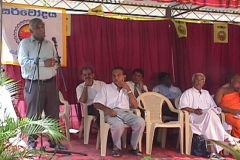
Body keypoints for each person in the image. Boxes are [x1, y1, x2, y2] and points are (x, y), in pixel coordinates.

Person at [18, 18, 66, 151]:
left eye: (43, 27)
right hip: (34, 84)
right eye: (38, 28)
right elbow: (23, 62)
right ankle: (32, 141)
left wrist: (54, 63)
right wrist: (42, 63)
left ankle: (55, 141)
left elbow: (54, 61)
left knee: (53, 113)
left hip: (50, 83)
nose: (41, 30)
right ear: (31, 30)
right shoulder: (25, 44)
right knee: (34, 114)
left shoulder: (49, 44)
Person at [179, 73, 239, 158]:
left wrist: (214, 110)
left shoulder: (206, 93)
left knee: (211, 114)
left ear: (204, 82)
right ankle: (227, 137)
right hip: (194, 117)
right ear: (193, 81)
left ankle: (213, 152)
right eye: (197, 80)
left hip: (208, 117)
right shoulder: (187, 93)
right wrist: (194, 110)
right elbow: (182, 107)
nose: (199, 82)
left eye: (201, 80)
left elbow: (213, 106)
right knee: (211, 115)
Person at [93, 67, 145, 157]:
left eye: (118, 75)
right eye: (114, 75)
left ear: (123, 77)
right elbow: (96, 103)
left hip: (127, 113)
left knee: (140, 122)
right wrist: (108, 110)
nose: (116, 78)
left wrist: (128, 89)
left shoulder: (127, 89)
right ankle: (116, 147)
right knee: (118, 124)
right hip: (112, 113)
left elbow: (135, 106)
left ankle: (133, 147)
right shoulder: (106, 88)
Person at [214, 74, 240, 138]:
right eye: (239, 82)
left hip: (238, 113)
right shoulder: (222, 90)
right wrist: (233, 111)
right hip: (228, 114)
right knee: (238, 123)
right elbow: (218, 105)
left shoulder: (238, 92)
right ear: (232, 81)